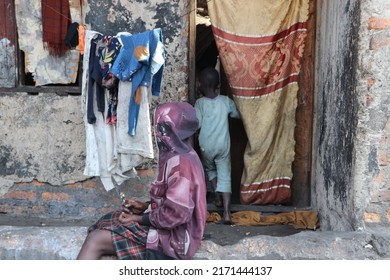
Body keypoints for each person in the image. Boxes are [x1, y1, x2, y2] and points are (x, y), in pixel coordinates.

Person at [77, 101, 207, 260]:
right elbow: (172, 204)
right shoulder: (180, 155)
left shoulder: (182, 166)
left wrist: (139, 218)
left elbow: (176, 214)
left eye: (162, 129)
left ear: (176, 131)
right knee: (108, 219)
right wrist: (144, 207)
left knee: (95, 240)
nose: (156, 134)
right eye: (157, 127)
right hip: (169, 227)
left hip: (174, 239)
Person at [195, 67, 240, 225]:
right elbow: (237, 114)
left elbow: (197, 123)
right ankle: (227, 213)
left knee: (211, 170)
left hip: (206, 145)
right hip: (222, 146)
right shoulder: (225, 101)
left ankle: (218, 198)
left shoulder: (199, 104)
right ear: (218, 85)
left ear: (200, 85)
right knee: (225, 175)